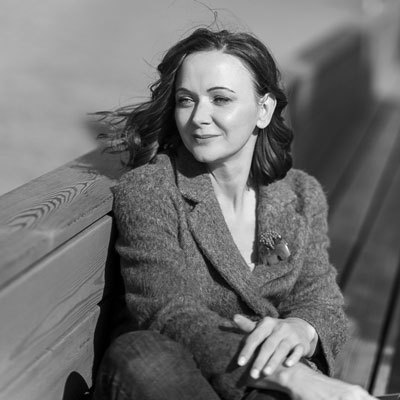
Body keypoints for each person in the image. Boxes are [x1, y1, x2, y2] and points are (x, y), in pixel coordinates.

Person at [92, 28, 377, 400]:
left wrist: (300, 329)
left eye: (220, 99)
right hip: (189, 381)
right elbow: (168, 313)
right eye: (186, 100)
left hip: (264, 389)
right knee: (141, 356)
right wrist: (290, 376)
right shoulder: (152, 190)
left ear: (264, 110)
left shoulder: (300, 194)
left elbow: (320, 300)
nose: (199, 117)